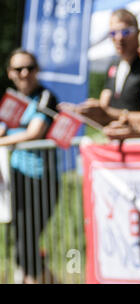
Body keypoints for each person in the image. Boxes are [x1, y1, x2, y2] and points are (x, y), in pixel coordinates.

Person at [1, 49, 59, 283]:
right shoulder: (9, 97)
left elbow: (35, 132)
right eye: (18, 69)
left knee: (26, 243)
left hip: (39, 179)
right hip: (12, 180)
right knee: (20, 245)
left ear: (37, 70)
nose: (25, 73)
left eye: (30, 67)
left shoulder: (45, 96)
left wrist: (2, 140)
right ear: (10, 73)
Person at [62, 9, 140, 126]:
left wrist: (109, 113)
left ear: (138, 32)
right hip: (115, 137)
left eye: (125, 32)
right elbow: (103, 107)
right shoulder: (114, 64)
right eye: (113, 33)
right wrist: (81, 111)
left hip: (139, 139)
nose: (119, 38)